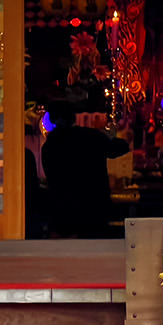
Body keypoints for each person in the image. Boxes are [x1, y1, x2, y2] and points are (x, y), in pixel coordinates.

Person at [41, 102, 132, 238]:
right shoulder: (91, 137)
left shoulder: (49, 146)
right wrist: (112, 134)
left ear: (52, 120)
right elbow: (121, 147)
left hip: (63, 214)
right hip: (94, 210)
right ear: (73, 118)